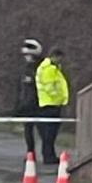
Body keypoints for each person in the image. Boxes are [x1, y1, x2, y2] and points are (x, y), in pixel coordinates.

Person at [24, 40, 70, 171]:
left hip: (51, 103)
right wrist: (59, 98)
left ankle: (49, 155)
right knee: (49, 134)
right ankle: (48, 156)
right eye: (60, 58)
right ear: (55, 56)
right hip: (50, 104)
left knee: (49, 134)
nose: (61, 60)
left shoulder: (52, 68)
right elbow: (51, 87)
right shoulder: (49, 69)